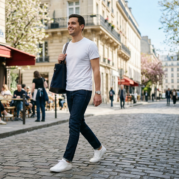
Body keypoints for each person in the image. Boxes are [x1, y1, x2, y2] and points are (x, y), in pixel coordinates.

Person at [50, 14, 104, 173]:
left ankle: (67, 160)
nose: (69, 25)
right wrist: (60, 61)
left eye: (73, 23)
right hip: (69, 88)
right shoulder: (66, 46)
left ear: (81, 26)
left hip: (83, 89)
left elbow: (96, 70)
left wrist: (98, 92)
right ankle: (99, 148)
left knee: (73, 123)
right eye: (68, 23)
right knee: (79, 123)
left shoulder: (90, 45)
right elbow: (68, 67)